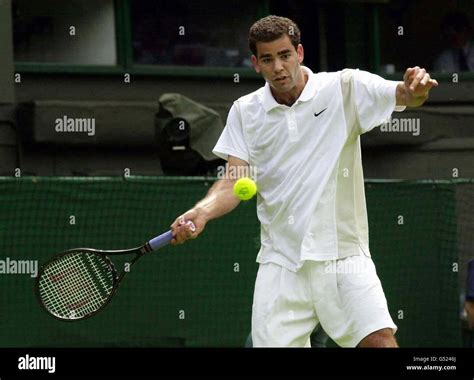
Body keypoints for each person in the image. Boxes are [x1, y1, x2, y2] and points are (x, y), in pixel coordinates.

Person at [170, 15, 438, 347]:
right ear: (255, 64)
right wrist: (202, 212)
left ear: (299, 52)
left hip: (343, 256)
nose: (278, 67)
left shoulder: (344, 88)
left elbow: (405, 95)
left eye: (284, 55)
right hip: (281, 264)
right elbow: (233, 180)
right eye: (267, 59)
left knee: (379, 341)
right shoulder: (245, 111)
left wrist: (415, 89)